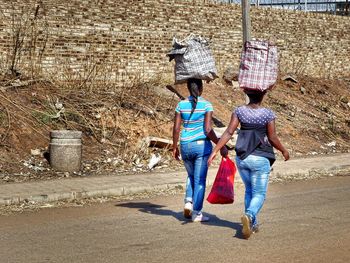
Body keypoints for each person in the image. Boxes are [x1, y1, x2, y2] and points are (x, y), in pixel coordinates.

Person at [207, 89, 290, 238]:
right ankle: (250, 215)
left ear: (248, 95)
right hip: (260, 158)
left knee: (249, 190)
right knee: (259, 193)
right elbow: (272, 137)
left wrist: (215, 150)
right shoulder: (268, 114)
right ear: (263, 95)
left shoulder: (240, 111)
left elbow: (228, 132)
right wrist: (284, 150)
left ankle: (252, 224)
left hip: (243, 158)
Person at [172, 78, 227, 222]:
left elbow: (176, 128)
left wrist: (174, 146)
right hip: (201, 146)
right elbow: (208, 129)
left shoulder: (181, 104)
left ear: (188, 89)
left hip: (185, 145)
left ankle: (188, 202)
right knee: (200, 180)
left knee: (190, 176)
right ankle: (197, 213)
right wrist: (220, 144)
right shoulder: (206, 105)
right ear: (201, 89)